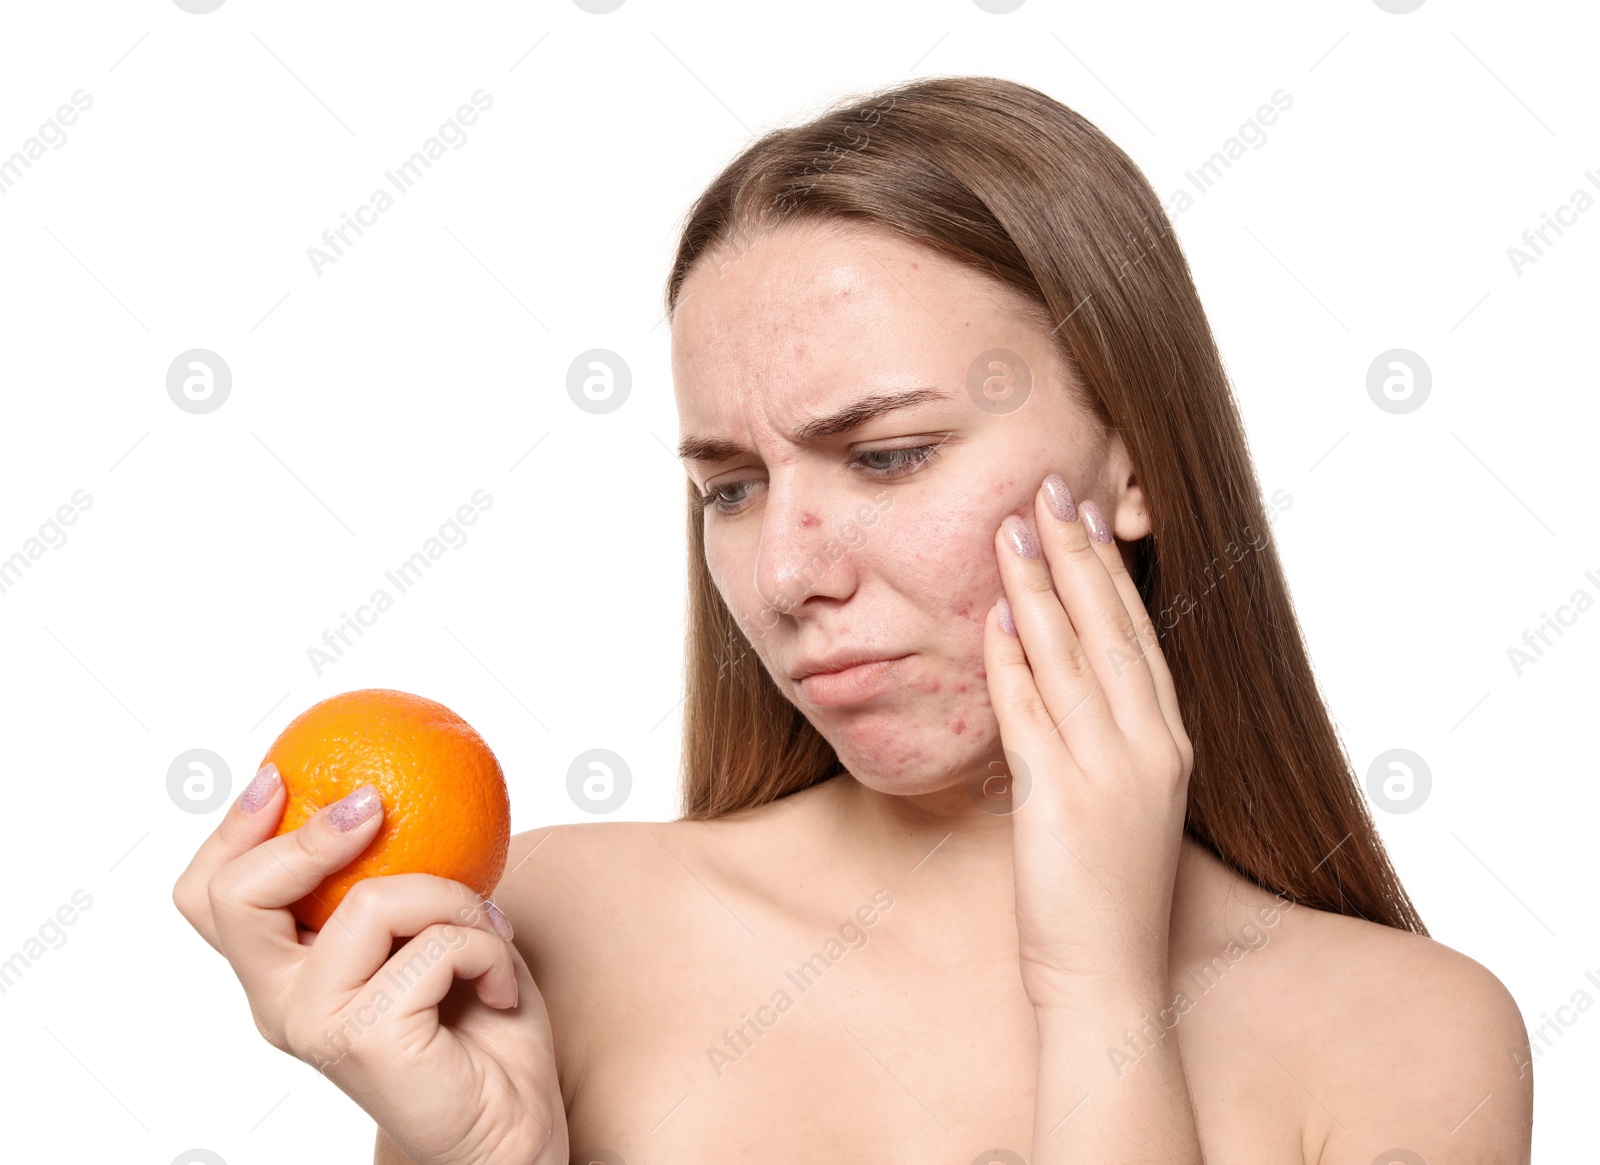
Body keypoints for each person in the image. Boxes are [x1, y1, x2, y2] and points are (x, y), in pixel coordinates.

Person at [173, 75, 1534, 1164]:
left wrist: (1104, 990)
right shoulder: (544, 933)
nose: (786, 574)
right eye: (733, 485)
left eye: (888, 456)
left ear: (1136, 465)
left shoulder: (1414, 1038)